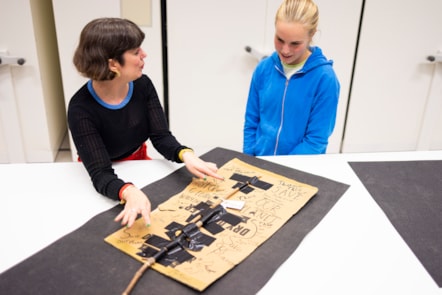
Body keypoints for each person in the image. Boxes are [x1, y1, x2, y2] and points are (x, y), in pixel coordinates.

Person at [68, 17, 223, 228]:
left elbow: (160, 136)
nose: (144, 55)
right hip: (102, 175)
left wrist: (187, 155)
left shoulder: (143, 85)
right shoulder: (80, 109)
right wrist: (128, 192)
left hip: (138, 161)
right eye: (135, 52)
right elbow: (100, 174)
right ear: (113, 63)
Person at [243, 0, 340, 156]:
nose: (285, 50)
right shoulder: (264, 69)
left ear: (312, 34)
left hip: (298, 170)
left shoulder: (325, 79)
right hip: (259, 166)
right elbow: (251, 122)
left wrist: (281, 170)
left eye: (295, 43)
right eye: (280, 40)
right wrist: (248, 160)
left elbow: (316, 141)